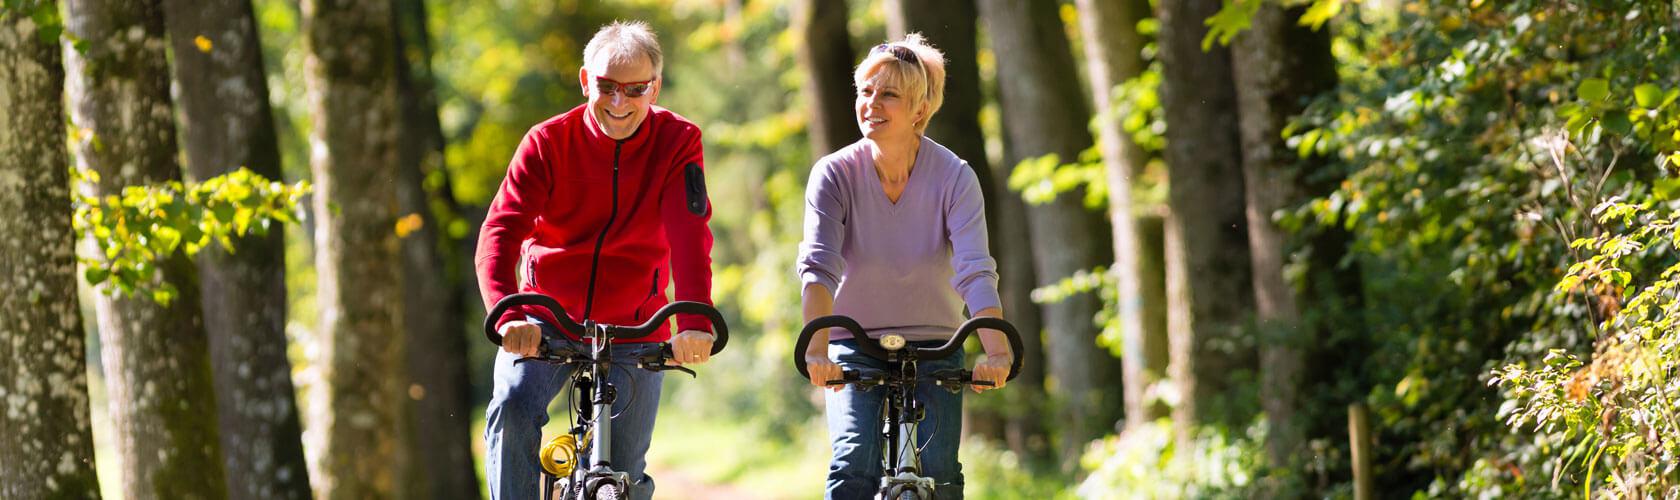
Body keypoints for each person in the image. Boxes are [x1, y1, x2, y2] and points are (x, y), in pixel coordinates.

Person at [476, 20, 717, 500]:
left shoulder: (678, 140)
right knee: (513, 406)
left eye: (635, 89)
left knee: (623, 475)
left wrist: (693, 320)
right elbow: (500, 231)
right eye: (607, 86)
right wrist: (509, 314)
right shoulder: (547, 142)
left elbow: (689, 232)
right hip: (546, 319)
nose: (619, 102)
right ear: (587, 81)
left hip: (634, 324)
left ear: (655, 87)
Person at [795, 34, 1014, 500]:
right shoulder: (834, 174)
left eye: (888, 94)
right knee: (853, 463)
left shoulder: (954, 176)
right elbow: (819, 267)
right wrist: (816, 350)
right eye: (865, 92)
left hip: (937, 343)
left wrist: (996, 352)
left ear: (919, 110)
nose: (871, 104)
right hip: (853, 344)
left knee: (940, 473)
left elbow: (975, 270)